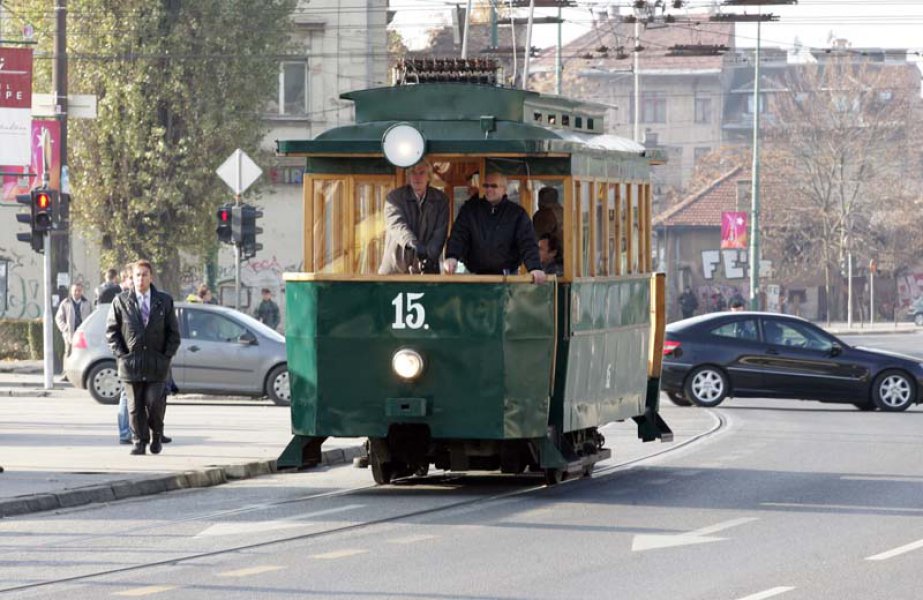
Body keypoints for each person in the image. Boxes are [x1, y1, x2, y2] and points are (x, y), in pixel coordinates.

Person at [106, 260, 180, 456]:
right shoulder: (121, 301)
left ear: (151, 277)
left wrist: (166, 356)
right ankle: (139, 441)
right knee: (135, 406)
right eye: (137, 275)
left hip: (157, 364)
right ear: (132, 278)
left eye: (144, 275)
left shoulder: (163, 301)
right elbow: (112, 332)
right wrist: (122, 355)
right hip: (132, 364)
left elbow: (173, 333)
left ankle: (157, 433)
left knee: (155, 402)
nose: (140, 278)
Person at [444, 173, 546, 284]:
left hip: (507, 277)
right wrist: (452, 256)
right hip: (474, 276)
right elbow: (458, 235)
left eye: (494, 186)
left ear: (504, 189)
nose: (489, 189)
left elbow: (527, 242)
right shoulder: (470, 210)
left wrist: (534, 267)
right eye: (486, 186)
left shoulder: (517, 214)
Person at [378, 160, 449, 275]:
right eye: (413, 173)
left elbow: (440, 233)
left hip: (427, 269)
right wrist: (413, 244)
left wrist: (429, 257)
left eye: (422, 173)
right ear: (408, 176)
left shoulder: (441, 200)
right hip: (396, 267)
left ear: (429, 177)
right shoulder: (394, 198)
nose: (417, 177)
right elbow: (397, 225)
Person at [54, 283, 92, 358]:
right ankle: (66, 369)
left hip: (82, 333)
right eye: (75, 290)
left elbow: (91, 317)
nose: (77, 292)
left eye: (79, 290)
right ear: (71, 292)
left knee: (83, 354)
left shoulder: (87, 303)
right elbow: (58, 318)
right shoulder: (66, 303)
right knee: (68, 352)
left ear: (82, 291)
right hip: (70, 333)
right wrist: (65, 328)